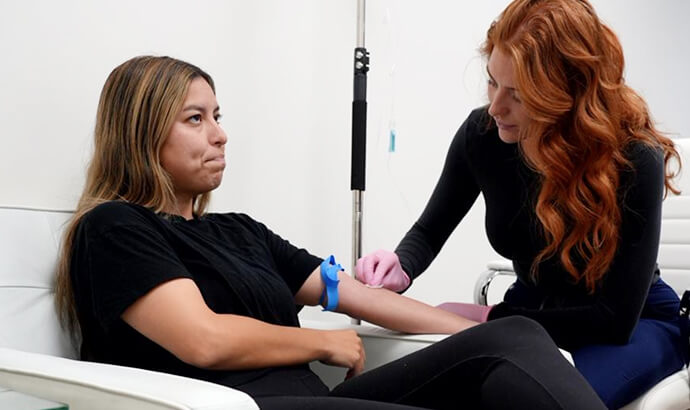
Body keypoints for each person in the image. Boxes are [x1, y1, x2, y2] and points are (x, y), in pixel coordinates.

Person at [52, 55, 606, 410]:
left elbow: (355, 294)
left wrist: (474, 333)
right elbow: (204, 339)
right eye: (196, 119)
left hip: (314, 397)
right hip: (236, 404)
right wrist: (321, 342)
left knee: (515, 336)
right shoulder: (115, 226)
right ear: (142, 134)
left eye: (218, 116)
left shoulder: (240, 233)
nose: (220, 135)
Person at [355, 0, 685, 408]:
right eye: (492, 82)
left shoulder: (634, 156)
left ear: (566, 95)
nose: (495, 107)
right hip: (528, 312)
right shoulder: (482, 135)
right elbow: (428, 231)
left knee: (536, 397)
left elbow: (613, 320)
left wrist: (486, 319)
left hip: (632, 326)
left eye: (518, 95)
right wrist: (401, 265)